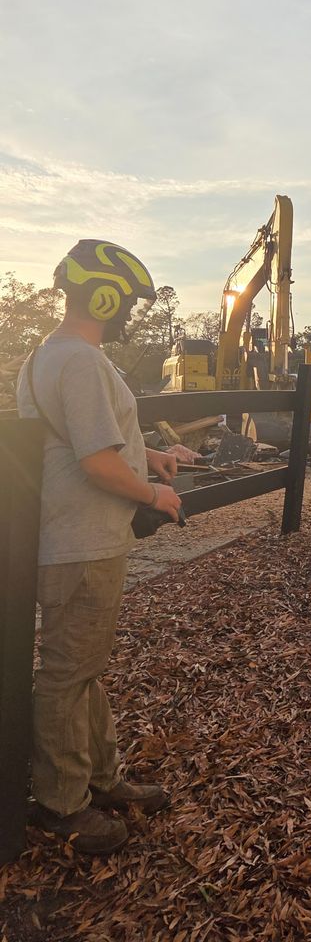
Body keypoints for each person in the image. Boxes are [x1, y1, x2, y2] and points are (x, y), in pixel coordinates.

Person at [17, 240, 183, 855]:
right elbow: (95, 464)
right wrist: (153, 495)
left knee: (83, 669)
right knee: (66, 675)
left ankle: (101, 780)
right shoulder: (82, 363)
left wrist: (152, 456)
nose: (129, 316)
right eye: (127, 303)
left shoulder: (46, 358)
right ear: (104, 296)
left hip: (72, 538)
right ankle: (63, 804)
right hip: (81, 544)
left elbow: (82, 444)